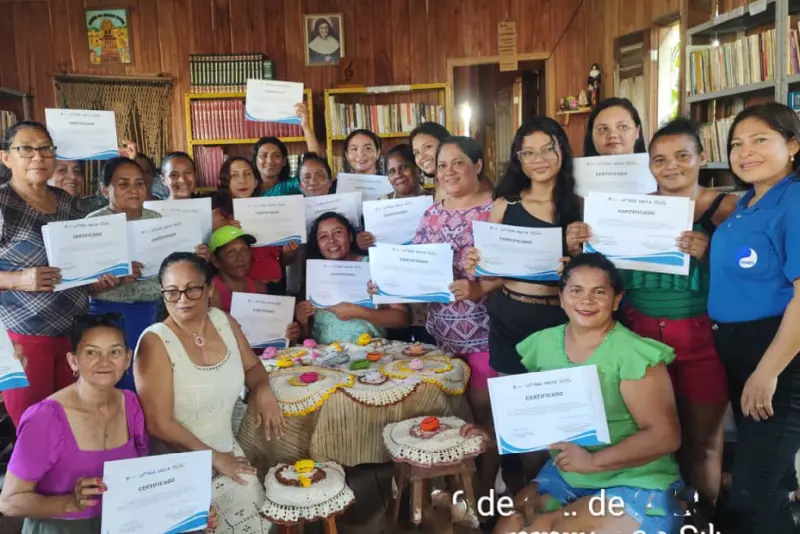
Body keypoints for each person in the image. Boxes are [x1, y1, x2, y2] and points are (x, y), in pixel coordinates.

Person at [467, 253, 684, 534]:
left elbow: (665, 436)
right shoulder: (544, 344)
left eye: (599, 292)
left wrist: (593, 462)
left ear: (617, 299)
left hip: (638, 478)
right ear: (561, 296)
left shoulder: (632, 352)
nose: (586, 300)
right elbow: (537, 412)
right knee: (509, 526)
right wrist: (490, 431)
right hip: (570, 473)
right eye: (576, 290)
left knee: (546, 527)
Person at [627, 117, 736, 510]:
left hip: (702, 338)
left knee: (703, 443)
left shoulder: (728, 208)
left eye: (682, 156)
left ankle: (703, 518)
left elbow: (754, 271)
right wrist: (584, 241)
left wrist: (711, 253)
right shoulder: (633, 210)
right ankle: (661, 517)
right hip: (638, 337)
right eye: (659, 159)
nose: (671, 166)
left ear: (702, 158)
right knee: (650, 439)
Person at [134, 252, 283, 533]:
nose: (183, 299)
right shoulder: (155, 342)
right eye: (172, 292)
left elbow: (253, 367)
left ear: (209, 289)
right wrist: (215, 458)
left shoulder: (224, 321)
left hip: (225, 448)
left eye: (192, 288)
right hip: (179, 464)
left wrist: (262, 389)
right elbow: (158, 423)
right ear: (163, 294)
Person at [707, 102, 800, 533]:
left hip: (778, 358)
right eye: (736, 144)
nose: (745, 152)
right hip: (743, 354)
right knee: (772, 480)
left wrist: (766, 371)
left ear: (793, 144)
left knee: (752, 493)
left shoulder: (794, 201)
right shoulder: (746, 203)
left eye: (760, 139)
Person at [0, 313, 148, 533]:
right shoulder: (45, 418)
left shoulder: (131, 404)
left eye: (114, 352)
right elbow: (9, 502)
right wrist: (70, 503)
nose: (104, 361)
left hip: (121, 524)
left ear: (127, 359)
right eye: (91, 353)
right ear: (73, 361)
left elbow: (142, 474)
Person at [410, 136, 497, 497]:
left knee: (484, 413)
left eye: (458, 163)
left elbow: (512, 269)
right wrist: (384, 282)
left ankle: (487, 488)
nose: (448, 172)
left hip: (486, 331)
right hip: (441, 332)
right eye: (442, 165)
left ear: (477, 165)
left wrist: (479, 288)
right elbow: (414, 262)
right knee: (451, 412)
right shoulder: (432, 211)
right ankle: (457, 488)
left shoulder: (498, 209)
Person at [466, 117, 581, 377]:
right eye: (528, 152)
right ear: (519, 159)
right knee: (512, 404)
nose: (538, 159)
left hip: (559, 319)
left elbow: (596, 270)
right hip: (510, 315)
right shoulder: (505, 205)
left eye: (547, 149)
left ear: (561, 150)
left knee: (558, 402)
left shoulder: (579, 206)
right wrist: (476, 262)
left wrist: (575, 263)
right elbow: (489, 272)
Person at [0, 121, 94, 426]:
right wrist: (18, 280)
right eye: (26, 149)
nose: (38, 157)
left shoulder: (67, 202)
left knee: (74, 424)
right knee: (34, 427)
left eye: (45, 149)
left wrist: (102, 276)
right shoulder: (2, 203)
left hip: (73, 334)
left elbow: (80, 260)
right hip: (24, 338)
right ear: (6, 157)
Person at [296, 212, 409, 343]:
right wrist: (302, 321)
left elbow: (402, 319)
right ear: (317, 244)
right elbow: (306, 335)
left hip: (372, 352)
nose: (331, 240)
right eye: (323, 236)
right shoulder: (314, 274)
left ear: (350, 236)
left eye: (337, 232)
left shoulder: (373, 266)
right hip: (325, 356)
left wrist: (359, 312)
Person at [212, 156, 298, 291]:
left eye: (247, 174)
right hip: (237, 292)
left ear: (256, 182)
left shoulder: (272, 211)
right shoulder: (217, 217)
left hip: (274, 290)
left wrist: (289, 253)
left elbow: (283, 261)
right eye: (234, 176)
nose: (242, 180)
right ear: (226, 182)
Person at [285, 153, 336, 297]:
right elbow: (285, 259)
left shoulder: (343, 210)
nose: (313, 182)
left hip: (337, 280)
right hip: (301, 284)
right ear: (300, 185)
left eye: (319, 176)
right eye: (306, 178)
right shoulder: (289, 215)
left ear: (330, 182)